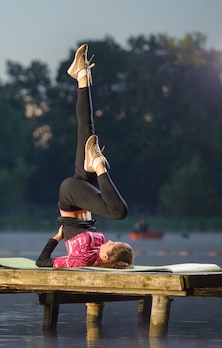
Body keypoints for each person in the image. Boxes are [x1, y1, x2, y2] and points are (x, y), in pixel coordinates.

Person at [36, 44, 133, 269]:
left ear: (106, 257)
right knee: (86, 129)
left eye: (111, 245)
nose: (108, 240)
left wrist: (57, 237)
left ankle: (99, 164)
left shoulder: (79, 261)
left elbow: (42, 263)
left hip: (70, 196)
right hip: (83, 197)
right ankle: (81, 74)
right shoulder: (102, 254)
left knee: (120, 212)